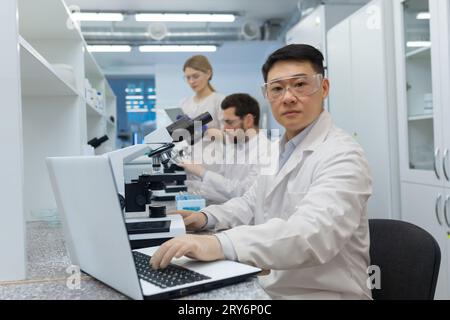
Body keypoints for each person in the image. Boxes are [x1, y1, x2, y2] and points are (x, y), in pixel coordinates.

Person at [150, 44, 373, 300]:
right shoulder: (280, 150)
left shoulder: (343, 155)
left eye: (300, 85)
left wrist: (219, 243)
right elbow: (249, 202)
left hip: (322, 293)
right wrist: (203, 218)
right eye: (277, 88)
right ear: (267, 95)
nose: (288, 97)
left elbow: (312, 234)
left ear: (323, 88)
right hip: (272, 286)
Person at [181, 93, 271, 204]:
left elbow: (244, 192)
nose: (224, 129)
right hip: (227, 214)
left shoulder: (266, 151)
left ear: (248, 120)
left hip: (249, 220)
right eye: (224, 122)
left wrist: (202, 172)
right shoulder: (235, 146)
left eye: (229, 122)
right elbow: (222, 185)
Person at [180, 55, 225, 130]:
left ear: (208, 74)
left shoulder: (220, 100)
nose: (191, 81)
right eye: (188, 77)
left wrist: (208, 132)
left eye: (196, 76)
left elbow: (227, 134)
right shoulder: (184, 103)